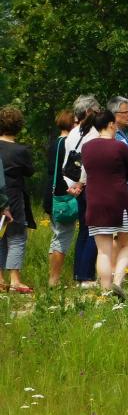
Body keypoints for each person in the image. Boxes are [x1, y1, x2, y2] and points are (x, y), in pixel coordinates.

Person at [81, 110, 128, 300]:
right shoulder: (120, 146)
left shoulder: (87, 147)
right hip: (120, 201)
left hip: (95, 202)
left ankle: (105, 289)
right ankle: (118, 281)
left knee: (103, 250)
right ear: (110, 124)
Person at [64, 95, 102, 288]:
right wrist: (80, 183)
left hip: (76, 188)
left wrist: (71, 184)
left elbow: (67, 163)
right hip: (89, 186)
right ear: (89, 112)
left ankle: (79, 273)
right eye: (97, 110)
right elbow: (89, 162)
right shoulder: (94, 133)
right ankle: (86, 276)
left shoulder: (72, 133)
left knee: (84, 230)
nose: (100, 113)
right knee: (95, 231)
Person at [0, 106, 36, 293]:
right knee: (16, 238)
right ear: (18, 126)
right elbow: (29, 172)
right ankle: (14, 280)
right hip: (13, 199)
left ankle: (0, 279)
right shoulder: (20, 150)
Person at [44, 109, 77, 287]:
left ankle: (53, 277)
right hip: (63, 196)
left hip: (50, 194)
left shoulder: (54, 143)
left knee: (56, 236)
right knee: (62, 237)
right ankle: (54, 280)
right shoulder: (67, 144)